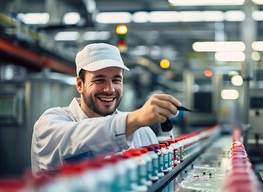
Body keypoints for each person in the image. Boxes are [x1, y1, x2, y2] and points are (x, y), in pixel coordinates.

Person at [31, 43, 182, 174]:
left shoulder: (142, 132)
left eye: (116, 80)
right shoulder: (50, 123)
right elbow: (77, 139)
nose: (109, 89)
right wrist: (135, 119)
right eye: (99, 80)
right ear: (79, 84)